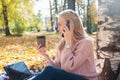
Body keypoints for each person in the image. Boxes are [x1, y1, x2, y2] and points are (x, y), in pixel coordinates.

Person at [32, 9, 98, 80]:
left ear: (70, 26)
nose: (57, 28)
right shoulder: (63, 43)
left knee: (49, 71)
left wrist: (68, 43)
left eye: (60, 24)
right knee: (45, 71)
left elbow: (69, 68)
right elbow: (58, 68)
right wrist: (46, 56)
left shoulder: (85, 43)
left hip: (84, 79)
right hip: (69, 77)